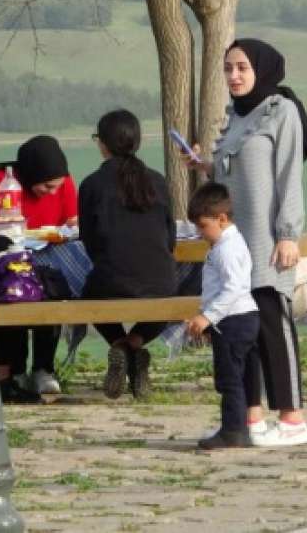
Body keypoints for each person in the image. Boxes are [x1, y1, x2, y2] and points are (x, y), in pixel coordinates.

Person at [186, 38, 307, 447]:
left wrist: (288, 234)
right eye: (228, 68)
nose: (234, 76)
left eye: (242, 67)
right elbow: (234, 178)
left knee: (272, 328)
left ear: (261, 69)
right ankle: (251, 418)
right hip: (235, 242)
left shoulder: (282, 111)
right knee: (241, 329)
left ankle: (293, 420)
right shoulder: (236, 117)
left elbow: (288, 176)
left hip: (269, 240)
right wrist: (207, 166)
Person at [79, 109, 176, 401]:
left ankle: (120, 345)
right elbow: (169, 238)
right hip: (161, 282)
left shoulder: (92, 184)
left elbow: (90, 242)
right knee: (170, 295)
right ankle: (135, 343)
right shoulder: (158, 181)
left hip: (111, 281)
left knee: (89, 294)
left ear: (103, 144)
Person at [0, 136, 78, 396]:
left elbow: (72, 220)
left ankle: (44, 367)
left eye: (56, 187)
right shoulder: (0, 182)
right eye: (46, 187)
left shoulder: (64, 183)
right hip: (7, 255)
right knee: (13, 292)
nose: (52, 192)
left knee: (52, 290)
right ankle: (14, 369)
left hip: (47, 254)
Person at [183, 183, 261, 450]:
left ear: (222, 219)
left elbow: (233, 288)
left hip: (234, 320)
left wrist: (207, 317)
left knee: (229, 378)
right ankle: (238, 427)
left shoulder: (226, 249)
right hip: (240, 317)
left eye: (203, 226)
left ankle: (233, 430)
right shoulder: (231, 243)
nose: (200, 233)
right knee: (237, 375)